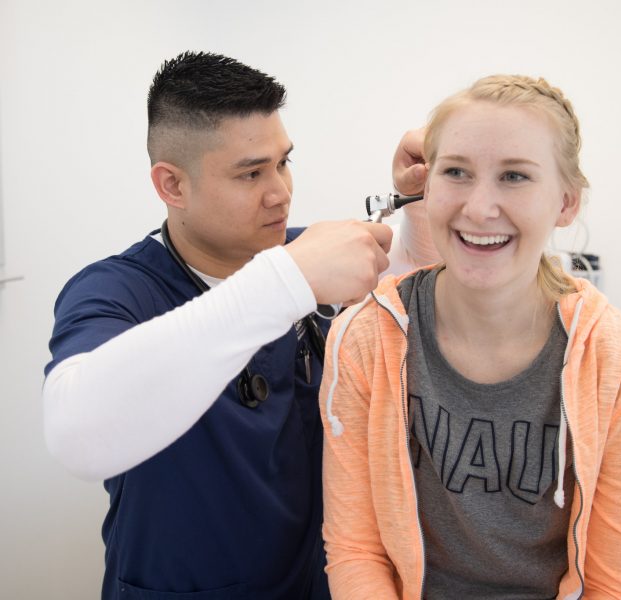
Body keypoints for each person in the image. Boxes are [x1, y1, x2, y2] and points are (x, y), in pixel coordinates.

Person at [42, 51, 438, 600]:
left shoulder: (301, 256)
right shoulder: (116, 290)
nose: (280, 191)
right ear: (172, 186)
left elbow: (417, 277)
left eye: (283, 162)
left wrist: (420, 201)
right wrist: (282, 283)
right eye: (251, 172)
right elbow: (76, 433)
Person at [320, 74, 621, 599]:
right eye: (456, 172)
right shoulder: (363, 339)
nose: (480, 208)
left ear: (566, 202)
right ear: (425, 187)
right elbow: (356, 551)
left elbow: (617, 585)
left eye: (514, 176)